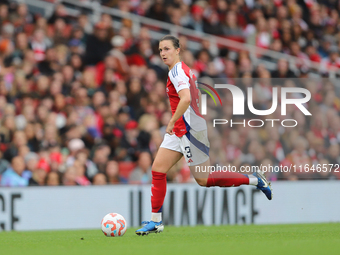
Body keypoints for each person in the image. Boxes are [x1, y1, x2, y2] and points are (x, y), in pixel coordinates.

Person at [135, 35, 273, 236]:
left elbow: (186, 98)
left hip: (190, 130)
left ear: (177, 50)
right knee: (158, 170)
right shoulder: (184, 70)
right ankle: (156, 221)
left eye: (166, 49)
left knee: (204, 179)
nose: (163, 53)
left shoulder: (177, 72)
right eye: (160, 50)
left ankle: (255, 180)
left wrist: (172, 121)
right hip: (181, 129)